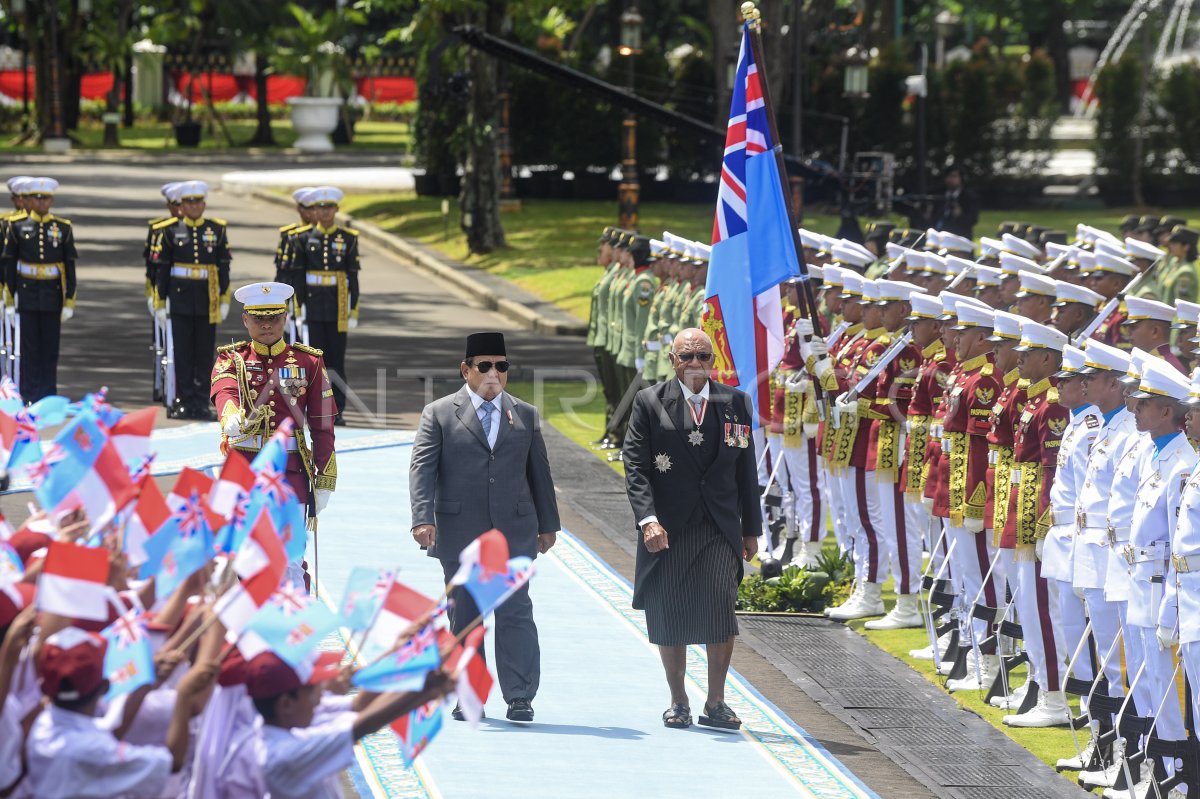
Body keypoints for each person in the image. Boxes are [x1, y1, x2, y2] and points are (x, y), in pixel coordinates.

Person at [409, 331, 560, 723]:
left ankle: (520, 696)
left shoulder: (524, 414)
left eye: (502, 366)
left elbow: (538, 474)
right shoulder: (439, 413)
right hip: (460, 530)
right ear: (466, 370)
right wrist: (422, 517)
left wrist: (548, 524)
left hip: (515, 529)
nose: (494, 373)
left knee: (515, 611)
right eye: (485, 366)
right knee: (466, 615)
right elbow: (422, 469)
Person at [622, 327, 761, 731]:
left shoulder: (736, 403)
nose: (695, 364)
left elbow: (745, 470)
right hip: (667, 526)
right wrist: (648, 520)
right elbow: (636, 468)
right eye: (686, 357)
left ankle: (715, 702)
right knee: (670, 610)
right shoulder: (649, 402)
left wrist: (749, 528)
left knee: (720, 608)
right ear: (673, 361)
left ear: (713, 361)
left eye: (702, 356)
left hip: (719, 525)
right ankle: (678, 700)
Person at [210, 281, 337, 581]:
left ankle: (291, 622)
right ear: (245, 320)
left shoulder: (309, 360)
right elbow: (224, 388)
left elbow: (322, 423)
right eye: (258, 318)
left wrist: (325, 476)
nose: (266, 325)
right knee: (241, 558)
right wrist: (229, 413)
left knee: (290, 559)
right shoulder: (232, 358)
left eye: (273, 317)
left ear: (285, 319)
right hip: (244, 467)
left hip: (291, 472)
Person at [23, 627, 218, 798]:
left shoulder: (44, 721)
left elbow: (107, 733)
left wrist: (145, 685)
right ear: (105, 687)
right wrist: (183, 695)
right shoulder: (92, 750)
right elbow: (171, 762)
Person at [236, 651, 452, 799]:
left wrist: (408, 660)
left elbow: (360, 705)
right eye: (311, 691)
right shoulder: (281, 755)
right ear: (286, 704)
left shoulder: (290, 724)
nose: (319, 697)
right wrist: (424, 686)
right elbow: (362, 725)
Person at [278, 186, 360, 425]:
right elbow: (298, 278)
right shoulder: (302, 239)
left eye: (329, 208)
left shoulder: (348, 238)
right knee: (312, 361)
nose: (324, 213)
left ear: (336, 209)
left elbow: (352, 277)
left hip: (337, 308)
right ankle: (313, 408)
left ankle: (337, 409)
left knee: (336, 360)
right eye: (320, 208)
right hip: (312, 308)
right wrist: (298, 309)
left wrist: (352, 309)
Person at [152, 180, 231, 419]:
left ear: (204, 205)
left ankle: (201, 402)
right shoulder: (169, 231)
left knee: (204, 353)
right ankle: (184, 400)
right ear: (182, 206)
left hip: (208, 300)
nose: (194, 206)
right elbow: (162, 270)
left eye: (198, 202)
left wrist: (224, 298)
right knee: (183, 354)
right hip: (180, 299)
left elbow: (223, 267)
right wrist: (160, 301)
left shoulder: (216, 230)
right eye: (189, 202)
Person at [0, 177, 77, 402]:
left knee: (50, 349)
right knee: (29, 348)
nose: (41, 203)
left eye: (45, 199)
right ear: (29, 201)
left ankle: (48, 393)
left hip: (52, 294)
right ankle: (30, 392)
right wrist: (10, 300)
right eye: (36, 198)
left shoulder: (63, 228)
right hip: (27, 293)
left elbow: (69, 266)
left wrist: (69, 299)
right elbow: (9, 265)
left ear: (51, 201)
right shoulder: (17, 227)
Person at [933, 166, 980, 240]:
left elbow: (973, 220)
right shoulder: (938, 195)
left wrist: (960, 215)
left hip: (960, 239)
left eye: (954, 176)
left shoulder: (969, 197)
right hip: (939, 238)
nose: (950, 179)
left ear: (962, 178)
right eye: (948, 176)